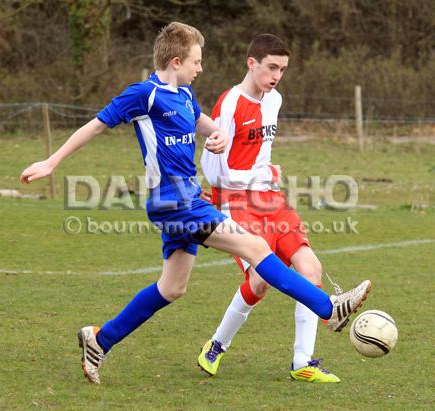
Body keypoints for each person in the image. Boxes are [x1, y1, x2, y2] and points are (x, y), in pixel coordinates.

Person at [20, 22, 371, 385]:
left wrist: (217, 133)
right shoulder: (145, 94)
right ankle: (329, 307)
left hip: (188, 198)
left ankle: (100, 340)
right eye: (196, 61)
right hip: (173, 203)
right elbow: (94, 126)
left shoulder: (186, 94)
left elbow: (201, 121)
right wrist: (51, 162)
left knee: (173, 288)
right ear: (175, 61)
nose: (200, 68)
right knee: (255, 247)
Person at [198, 34, 349, 382]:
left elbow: (261, 155)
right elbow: (214, 172)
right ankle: (217, 344)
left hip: (272, 201)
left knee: (311, 267)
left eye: (282, 69)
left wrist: (266, 176)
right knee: (261, 279)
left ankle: (303, 363)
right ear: (252, 63)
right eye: (271, 67)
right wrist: (261, 174)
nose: (277, 75)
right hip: (236, 203)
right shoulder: (230, 104)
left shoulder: (275, 100)